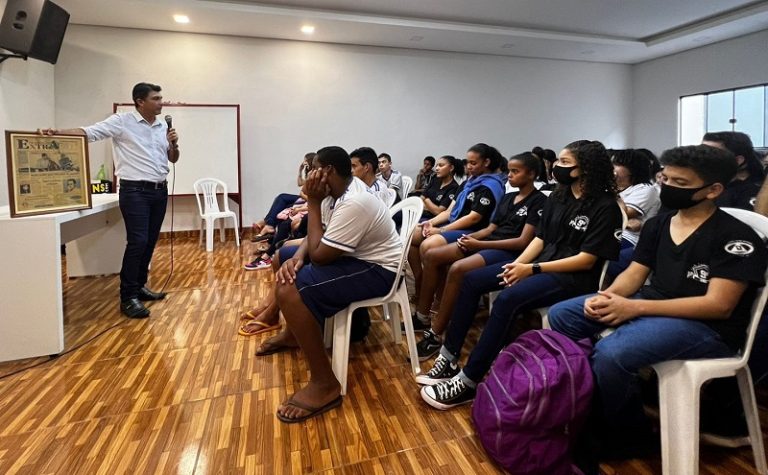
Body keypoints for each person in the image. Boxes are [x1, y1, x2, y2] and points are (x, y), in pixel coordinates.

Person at [547, 144, 766, 459]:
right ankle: (589, 401)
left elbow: (718, 305)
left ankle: (629, 434)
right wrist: (609, 296)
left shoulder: (735, 237)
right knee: (563, 315)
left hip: (706, 326)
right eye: (666, 179)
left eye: (681, 183)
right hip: (654, 304)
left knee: (612, 353)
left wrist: (634, 307)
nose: (668, 187)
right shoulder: (659, 224)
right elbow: (635, 274)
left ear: (713, 190)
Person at [417, 140, 622, 410]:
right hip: (540, 264)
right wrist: (517, 265)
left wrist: (532, 269)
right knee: (472, 280)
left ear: (584, 168)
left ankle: (469, 380)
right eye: (558, 161)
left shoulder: (606, 207)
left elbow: (587, 261)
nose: (557, 166)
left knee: (507, 299)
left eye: (564, 162)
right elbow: (540, 239)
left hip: (572, 276)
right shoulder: (559, 197)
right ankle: (449, 356)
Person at [256, 146, 401, 423]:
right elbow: (317, 238)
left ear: (328, 171)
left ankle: (325, 383)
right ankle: (293, 334)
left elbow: (321, 255)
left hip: (380, 269)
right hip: (353, 256)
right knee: (285, 255)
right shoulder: (332, 192)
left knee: (289, 289)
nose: (310, 174)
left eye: (314, 169)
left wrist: (312, 202)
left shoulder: (354, 200)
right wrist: (298, 258)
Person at [40, 82, 179, 319]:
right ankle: (128, 297)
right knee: (138, 241)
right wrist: (57, 132)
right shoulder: (122, 121)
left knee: (149, 241)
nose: (161, 102)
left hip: (159, 191)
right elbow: (89, 132)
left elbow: (173, 158)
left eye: (160, 97)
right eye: (155, 98)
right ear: (140, 101)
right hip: (135, 191)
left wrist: (174, 143)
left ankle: (140, 287)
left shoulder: (161, 127)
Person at [413, 152, 547, 361]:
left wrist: (480, 244)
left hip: (508, 251)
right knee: (433, 255)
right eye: (509, 171)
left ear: (531, 174)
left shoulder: (538, 201)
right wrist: (470, 238)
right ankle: (426, 314)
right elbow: (490, 228)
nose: (509, 175)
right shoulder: (509, 198)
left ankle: (436, 334)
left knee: (458, 269)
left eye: (515, 171)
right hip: (489, 241)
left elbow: (522, 242)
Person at [408, 143, 506, 303]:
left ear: (486, 162)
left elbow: (474, 218)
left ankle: (438, 298)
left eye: (473, 163)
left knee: (429, 245)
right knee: (413, 234)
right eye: (468, 163)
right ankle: (420, 282)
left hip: (474, 230)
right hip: (456, 226)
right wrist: (429, 223)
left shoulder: (490, 185)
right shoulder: (468, 183)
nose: (468, 167)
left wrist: (442, 230)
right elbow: (449, 212)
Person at [606, 149, 660, 278]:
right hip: (610, 232)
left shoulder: (645, 189)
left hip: (629, 238)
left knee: (599, 261)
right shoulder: (611, 188)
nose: (613, 168)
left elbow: (624, 214)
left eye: (618, 164)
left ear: (632, 169)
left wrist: (611, 192)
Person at [251, 152, 314, 241]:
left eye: (305, 161)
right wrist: (300, 170)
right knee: (282, 202)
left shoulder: (313, 174)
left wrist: (302, 194)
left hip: (307, 200)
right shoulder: (309, 173)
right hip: (304, 199)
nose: (303, 163)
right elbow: (299, 183)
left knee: (282, 198)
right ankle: (269, 226)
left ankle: (267, 224)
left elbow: (304, 194)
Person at [703, 131, 765, 211]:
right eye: (701, 151)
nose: (702, 158)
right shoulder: (706, 182)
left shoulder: (755, 191)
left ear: (737, 160)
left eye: (711, 154)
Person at [420, 155, 461, 220]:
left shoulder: (454, 188)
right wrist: (430, 206)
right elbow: (421, 198)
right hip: (420, 213)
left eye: (441, 165)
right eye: (436, 166)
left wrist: (426, 200)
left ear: (451, 168)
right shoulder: (435, 180)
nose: (436, 168)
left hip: (432, 219)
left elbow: (438, 212)